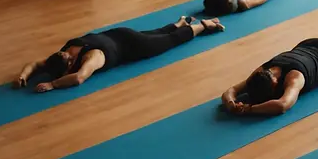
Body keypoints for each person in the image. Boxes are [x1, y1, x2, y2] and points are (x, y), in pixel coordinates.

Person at [12, 16, 225, 93]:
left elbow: (78, 77)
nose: (67, 54)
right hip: (121, 33)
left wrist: (53, 85)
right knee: (155, 34)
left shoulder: (92, 58)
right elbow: (35, 65)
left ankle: (201, 26)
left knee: (167, 42)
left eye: (66, 55)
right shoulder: (65, 51)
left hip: (132, 45)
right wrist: (24, 75)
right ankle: (179, 22)